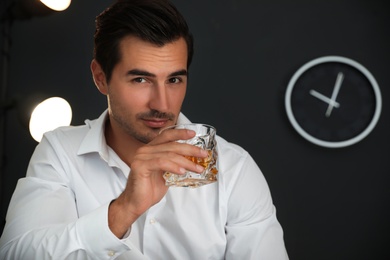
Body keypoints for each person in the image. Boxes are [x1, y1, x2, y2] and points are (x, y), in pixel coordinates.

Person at [0, 0, 289, 259]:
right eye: (141, 80)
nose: (162, 103)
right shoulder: (61, 150)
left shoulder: (234, 168)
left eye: (174, 80)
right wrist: (124, 209)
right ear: (101, 78)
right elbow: (17, 254)